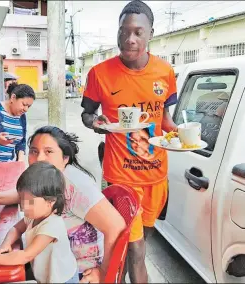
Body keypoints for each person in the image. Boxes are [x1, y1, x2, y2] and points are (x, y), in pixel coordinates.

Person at [81, 1, 178, 282]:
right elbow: (88, 113)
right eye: (124, 31)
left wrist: (181, 134)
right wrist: (96, 124)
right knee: (135, 249)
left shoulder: (165, 72)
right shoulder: (99, 73)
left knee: (136, 246)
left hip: (156, 177)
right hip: (122, 178)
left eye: (138, 32)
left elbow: (165, 120)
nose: (130, 39)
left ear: (150, 34)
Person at [0, 126, 126, 283]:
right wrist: (0, 197)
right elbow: (34, 195)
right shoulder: (50, 179)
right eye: (34, 151)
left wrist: (103, 272)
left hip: (78, 272)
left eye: (48, 152)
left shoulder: (77, 187)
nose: (39, 158)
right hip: (51, 261)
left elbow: (116, 227)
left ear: (65, 158)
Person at [0, 162, 79, 283]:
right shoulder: (34, 214)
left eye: (31, 202)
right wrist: (6, 244)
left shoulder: (51, 226)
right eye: (22, 199)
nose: (24, 206)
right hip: (45, 274)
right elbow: (16, 229)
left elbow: (25, 256)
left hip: (63, 279)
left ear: (51, 201)